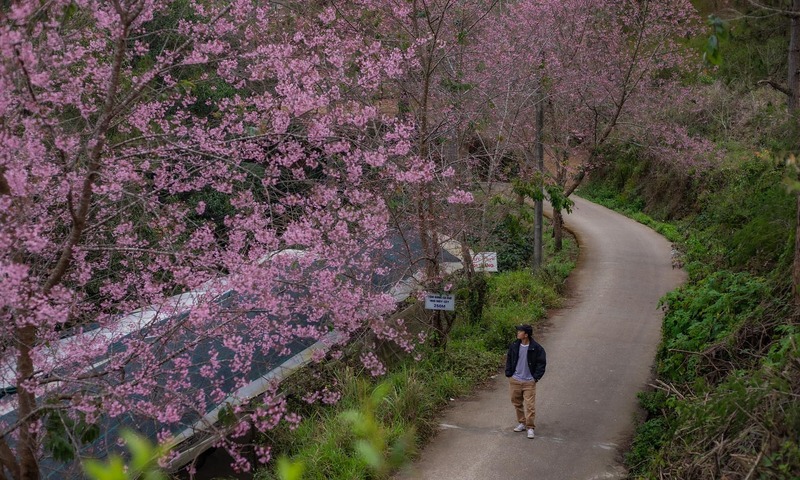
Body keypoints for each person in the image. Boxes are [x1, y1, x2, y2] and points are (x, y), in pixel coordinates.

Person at [505, 324, 546, 439]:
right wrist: (509, 374)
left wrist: (535, 378)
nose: (518, 333)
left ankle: (530, 427)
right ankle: (522, 423)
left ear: (526, 334)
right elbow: (509, 359)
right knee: (517, 403)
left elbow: (541, 364)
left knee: (530, 406)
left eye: (520, 331)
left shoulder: (537, 348)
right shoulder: (514, 346)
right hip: (515, 380)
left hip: (529, 382)